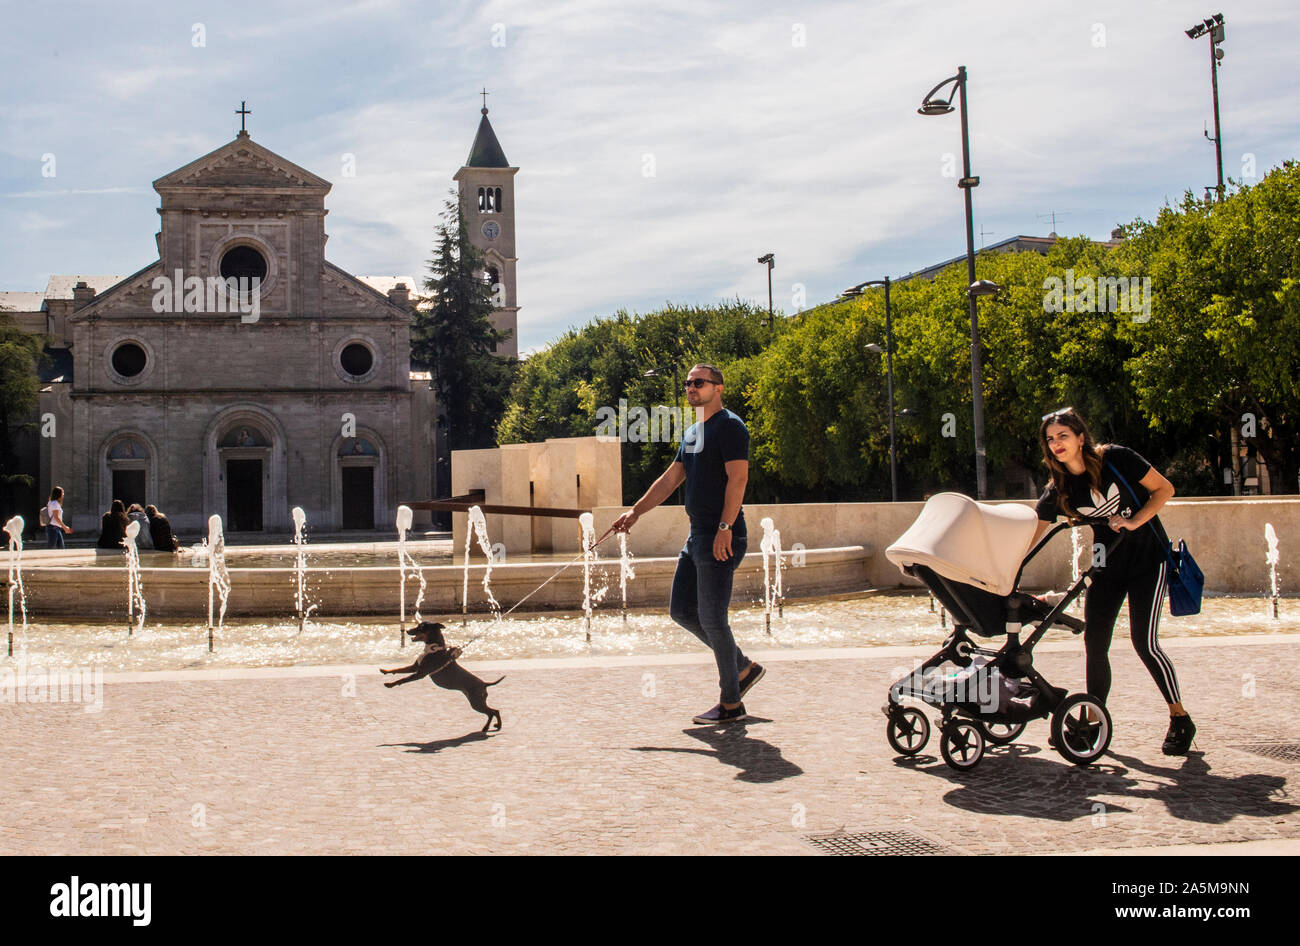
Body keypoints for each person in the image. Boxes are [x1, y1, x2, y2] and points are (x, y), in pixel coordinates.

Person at [1030, 407, 1195, 755]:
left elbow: (1164, 489)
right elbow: (1032, 530)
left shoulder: (1116, 459)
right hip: (1106, 569)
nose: (1056, 443)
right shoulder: (1060, 487)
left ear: (1079, 437)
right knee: (1095, 643)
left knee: (1144, 643)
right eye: (1050, 439)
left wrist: (1135, 521)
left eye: (1063, 436)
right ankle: (1094, 721)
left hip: (1149, 562)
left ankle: (1179, 717)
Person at [611, 363, 764, 724]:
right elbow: (670, 479)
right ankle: (741, 668)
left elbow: (738, 479)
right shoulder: (694, 431)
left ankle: (732, 704)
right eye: (688, 383)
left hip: (721, 534)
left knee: (713, 618)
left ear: (718, 388)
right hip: (697, 536)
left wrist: (725, 526)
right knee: (682, 611)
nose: (691, 388)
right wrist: (634, 513)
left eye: (699, 383)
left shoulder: (730, 426)